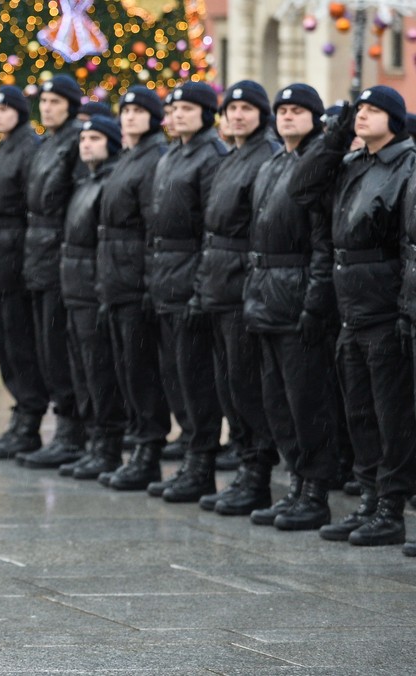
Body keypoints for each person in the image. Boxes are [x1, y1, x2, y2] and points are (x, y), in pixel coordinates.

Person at [292, 86, 416, 550]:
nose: (362, 116)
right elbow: (301, 189)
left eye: (372, 111)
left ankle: (390, 507)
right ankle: (367, 500)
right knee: (360, 412)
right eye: (359, 110)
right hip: (351, 308)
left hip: (384, 306)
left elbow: (408, 246)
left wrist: (404, 307)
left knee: (391, 414)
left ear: (395, 120)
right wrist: (335, 137)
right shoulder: (352, 163)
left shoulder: (406, 165)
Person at [241, 84, 339, 531]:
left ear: (315, 118)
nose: (287, 117)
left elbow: (323, 243)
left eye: (297, 111)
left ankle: (315, 492)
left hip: (296, 294)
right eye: (281, 111)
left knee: (306, 402)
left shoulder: (315, 165)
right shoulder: (273, 162)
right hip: (265, 295)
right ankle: (297, 483)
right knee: (277, 402)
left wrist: (315, 302)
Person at [194, 81, 281, 515]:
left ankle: (257, 476)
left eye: (247, 108)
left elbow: (258, 230)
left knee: (248, 387)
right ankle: (245, 469)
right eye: (232, 108)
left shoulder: (264, 157)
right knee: (229, 386)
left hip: (242, 287)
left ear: (261, 114)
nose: (238, 115)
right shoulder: (232, 158)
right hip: (218, 284)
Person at [145, 82, 227, 502]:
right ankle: (191, 460)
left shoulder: (211, 157)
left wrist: (200, 286)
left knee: (196, 380)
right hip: (165, 276)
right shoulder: (173, 153)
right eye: (173, 107)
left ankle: (202, 465)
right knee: (175, 376)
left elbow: (210, 229)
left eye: (187, 108)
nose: (176, 114)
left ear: (206, 113)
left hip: (190, 275)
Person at [96, 86, 172, 487]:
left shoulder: (153, 159)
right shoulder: (131, 157)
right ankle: (139, 444)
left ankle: (149, 449)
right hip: (117, 278)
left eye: (138, 111)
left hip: (135, 281)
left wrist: (145, 283)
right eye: (124, 110)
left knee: (142, 371)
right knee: (127, 367)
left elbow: (150, 228)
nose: (128, 117)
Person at [0, 86, 50, 460]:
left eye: (5, 109)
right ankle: (20, 417)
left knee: (20, 344)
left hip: (14, 259)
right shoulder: (5, 148)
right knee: (6, 343)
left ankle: (29, 420)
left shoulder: (27, 149)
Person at [20, 74, 86, 469]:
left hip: (59, 254)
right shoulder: (48, 145)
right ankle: (63, 428)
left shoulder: (75, 143)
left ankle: (72, 431)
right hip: (38, 253)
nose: (47, 107)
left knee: (62, 349)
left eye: (55, 101)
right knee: (46, 346)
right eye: (43, 101)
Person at [59, 116, 127, 479]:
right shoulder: (86, 179)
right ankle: (91, 441)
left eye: (95, 138)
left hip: (93, 285)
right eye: (83, 137)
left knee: (100, 369)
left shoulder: (109, 181)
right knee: (82, 368)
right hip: (75, 285)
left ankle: (107, 446)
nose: (86, 143)